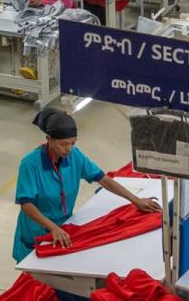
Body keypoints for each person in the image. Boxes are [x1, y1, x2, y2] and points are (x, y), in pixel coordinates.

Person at [12, 108, 161, 263]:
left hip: (64, 227)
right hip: (36, 231)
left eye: (73, 143)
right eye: (64, 144)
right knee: (32, 274)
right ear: (49, 139)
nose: (68, 149)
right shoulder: (30, 164)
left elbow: (104, 179)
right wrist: (52, 227)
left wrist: (136, 200)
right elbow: (26, 205)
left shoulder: (74, 156)